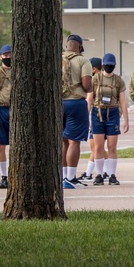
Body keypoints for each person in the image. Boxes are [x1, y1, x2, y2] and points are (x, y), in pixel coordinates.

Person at [87, 53, 128, 186]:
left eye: (111, 66)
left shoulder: (118, 80)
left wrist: (126, 120)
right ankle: (99, 174)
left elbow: (122, 101)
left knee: (112, 146)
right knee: (98, 146)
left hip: (113, 113)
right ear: (102, 65)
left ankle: (111, 174)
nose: (109, 67)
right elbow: (90, 99)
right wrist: (86, 117)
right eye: (107, 65)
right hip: (97, 112)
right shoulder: (95, 79)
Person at [62, 34, 93, 189]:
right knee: (74, 141)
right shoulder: (83, 61)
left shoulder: (57, 58)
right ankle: (71, 177)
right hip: (75, 102)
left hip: (58, 103)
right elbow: (86, 85)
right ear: (80, 46)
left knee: (62, 140)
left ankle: (61, 176)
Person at [79, 56, 103, 182]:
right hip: (106, 114)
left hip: (95, 114)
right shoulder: (106, 79)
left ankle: (91, 173)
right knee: (99, 147)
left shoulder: (93, 81)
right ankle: (91, 171)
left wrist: (86, 116)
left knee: (95, 146)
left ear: (93, 69)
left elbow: (89, 100)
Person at [0, 44, 11, 189]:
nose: (8, 57)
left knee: (17, 144)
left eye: (10, 55)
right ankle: (3, 176)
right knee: (0, 145)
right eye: (5, 55)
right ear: (1, 57)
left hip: (16, 109)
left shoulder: (19, 71)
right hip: (1, 108)